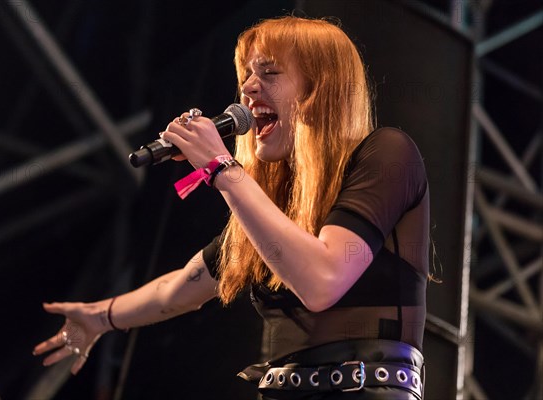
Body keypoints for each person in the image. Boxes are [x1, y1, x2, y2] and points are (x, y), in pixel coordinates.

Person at [33, 16, 430, 400]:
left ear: (319, 89)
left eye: (269, 73)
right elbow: (181, 288)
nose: (249, 89)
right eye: (246, 76)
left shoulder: (386, 154)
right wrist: (100, 317)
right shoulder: (274, 208)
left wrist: (222, 168)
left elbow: (323, 281)